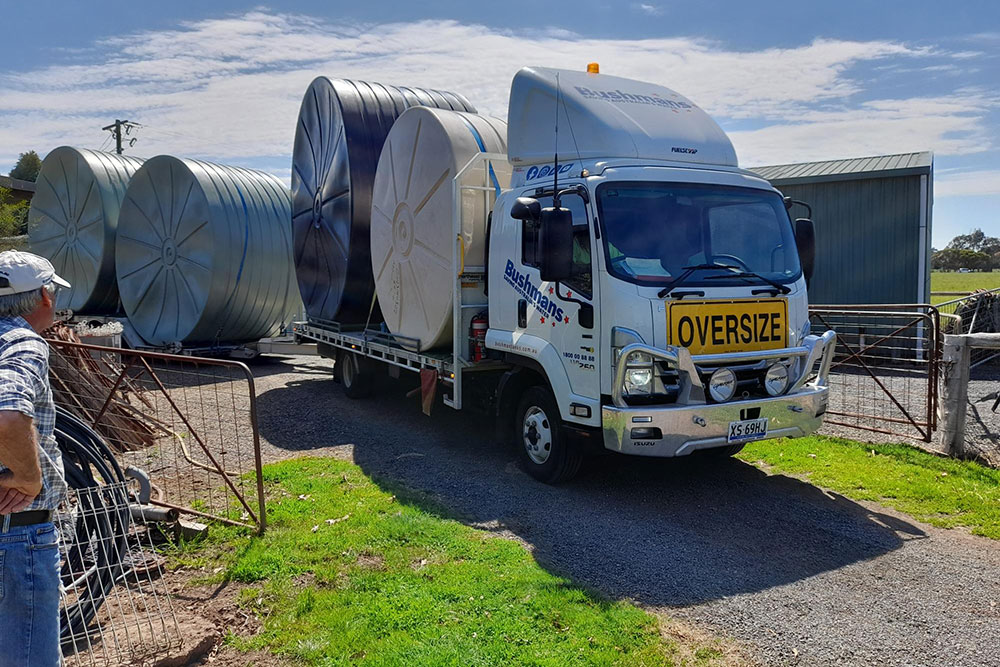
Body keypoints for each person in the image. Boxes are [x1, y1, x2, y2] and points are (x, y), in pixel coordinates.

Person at [0, 250, 70, 667]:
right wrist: (28, 480)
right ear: (44, 296)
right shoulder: (20, 341)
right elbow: (8, 415)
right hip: (17, 532)